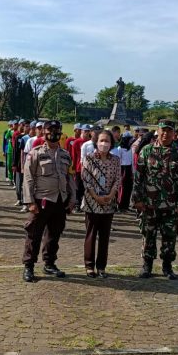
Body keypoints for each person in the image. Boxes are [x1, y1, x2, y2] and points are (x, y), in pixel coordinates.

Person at [133, 119, 178, 280]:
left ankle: (167, 266)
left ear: (174, 133)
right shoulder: (147, 151)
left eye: (169, 131)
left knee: (169, 236)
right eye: (163, 130)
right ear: (158, 131)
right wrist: (137, 199)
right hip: (149, 204)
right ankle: (147, 265)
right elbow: (139, 177)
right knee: (148, 234)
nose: (165, 133)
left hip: (171, 205)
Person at [22, 120, 75, 282]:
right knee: (34, 234)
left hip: (60, 200)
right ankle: (29, 266)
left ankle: (49, 263)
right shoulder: (35, 153)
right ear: (43, 133)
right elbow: (28, 178)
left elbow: (69, 178)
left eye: (57, 131)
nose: (54, 134)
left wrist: (72, 198)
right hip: (41, 200)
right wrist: (30, 202)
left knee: (54, 233)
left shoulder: (65, 154)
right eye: (50, 131)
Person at [81, 130, 120, 278]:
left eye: (107, 141)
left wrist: (111, 194)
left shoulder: (115, 160)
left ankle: (101, 266)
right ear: (96, 142)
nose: (104, 144)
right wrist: (96, 197)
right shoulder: (89, 159)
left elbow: (118, 179)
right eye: (101, 140)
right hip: (92, 203)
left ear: (111, 143)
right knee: (91, 234)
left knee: (105, 237)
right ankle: (89, 266)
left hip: (108, 203)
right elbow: (86, 180)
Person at [113, 135, 134, 212]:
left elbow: (131, 160)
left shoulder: (130, 149)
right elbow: (118, 160)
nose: (131, 142)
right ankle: (120, 206)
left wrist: (132, 171)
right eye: (130, 140)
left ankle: (126, 205)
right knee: (122, 187)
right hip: (122, 168)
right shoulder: (120, 149)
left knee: (129, 188)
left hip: (129, 168)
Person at [12, 119, 29, 210]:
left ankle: (26, 201)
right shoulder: (19, 137)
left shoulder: (32, 139)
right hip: (19, 164)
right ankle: (19, 198)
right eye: (25, 126)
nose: (27, 128)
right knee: (19, 183)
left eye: (28, 126)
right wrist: (14, 163)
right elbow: (16, 151)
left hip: (29, 166)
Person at [3, 120, 16, 184]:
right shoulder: (9, 131)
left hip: (15, 150)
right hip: (10, 150)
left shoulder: (17, 132)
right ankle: (10, 179)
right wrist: (9, 130)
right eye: (10, 125)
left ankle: (14, 179)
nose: (11, 126)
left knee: (15, 165)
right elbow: (6, 137)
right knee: (9, 165)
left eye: (12, 125)